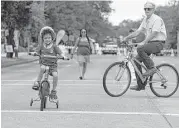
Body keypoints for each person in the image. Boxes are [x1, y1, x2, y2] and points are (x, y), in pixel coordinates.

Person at [123, 1, 167, 91]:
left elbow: (155, 33)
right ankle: (141, 85)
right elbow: (138, 32)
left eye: (149, 9)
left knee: (140, 48)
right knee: (136, 61)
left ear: (153, 10)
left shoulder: (157, 19)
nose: (146, 10)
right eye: (145, 8)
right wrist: (126, 38)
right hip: (150, 44)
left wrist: (144, 42)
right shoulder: (145, 20)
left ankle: (151, 68)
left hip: (158, 43)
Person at [32, 26, 63, 99]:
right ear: (43, 39)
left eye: (49, 38)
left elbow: (60, 53)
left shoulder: (55, 46)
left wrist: (61, 56)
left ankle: (54, 91)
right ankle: (38, 82)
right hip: (44, 64)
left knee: (55, 75)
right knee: (42, 68)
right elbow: (36, 51)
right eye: (45, 38)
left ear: (52, 38)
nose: (47, 39)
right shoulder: (41, 46)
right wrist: (35, 53)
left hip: (52, 66)